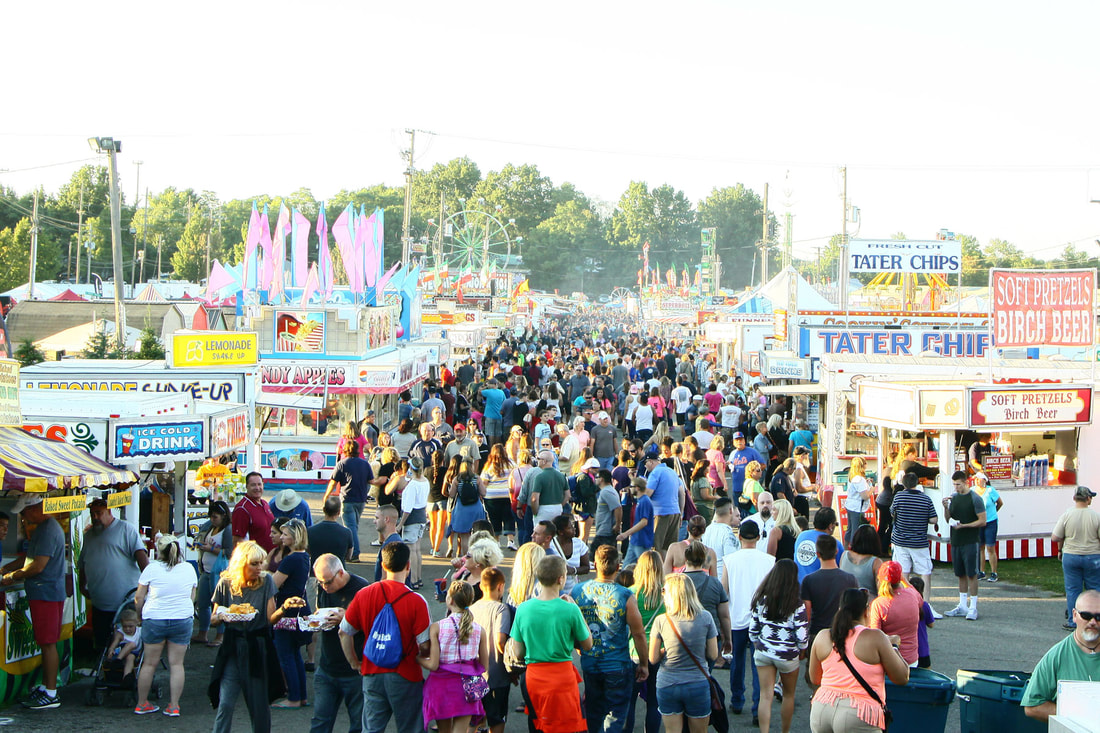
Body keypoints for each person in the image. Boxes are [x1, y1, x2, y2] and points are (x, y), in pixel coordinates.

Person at [339, 542, 432, 733]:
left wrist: (354, 662)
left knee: (372, 728)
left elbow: (344, 631)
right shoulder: (417, 601)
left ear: (383, 564)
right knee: (411, 727)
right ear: (408, 565)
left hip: (372, 671)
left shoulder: (363, 594)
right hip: (405, 673)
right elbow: (424, 645)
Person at [209, 540, 286, 733]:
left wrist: (285, 608)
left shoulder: (267, 581)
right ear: (242, 563)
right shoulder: (226, 582)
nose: (260, 568)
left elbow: (270, 619)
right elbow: (213, 619)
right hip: (233, 645)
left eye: (261, 563)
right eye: (254, 563)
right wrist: (222, 615)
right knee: (225, 703)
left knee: (259, 706)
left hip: (257, 646)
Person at [510, 555, 593, 733]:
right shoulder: (569, 609)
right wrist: (577, 609)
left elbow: (518, 652)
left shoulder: (523, 609)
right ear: (561, 579)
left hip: (534, 677)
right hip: (562, 678)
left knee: (538, 725)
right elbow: (587, 644)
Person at [808, 588, 910, 732]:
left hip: (822, 708)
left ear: (839, 609)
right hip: (858, 712)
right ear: (866, 611)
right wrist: (893, 646)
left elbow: (815, 678)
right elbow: (902, 677)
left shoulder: (823, 636)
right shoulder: (876, 638)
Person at [572, 545, 649, 733]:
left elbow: (572, 628)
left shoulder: (578, 591)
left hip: (591, 663)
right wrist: (644, 664)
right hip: (617, 664)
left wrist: (580, 647)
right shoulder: (625, 595)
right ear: (618, 567)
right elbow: (638, 633)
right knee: (614, 716)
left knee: (593, 712)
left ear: (595, 564)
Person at [2, 494, 66, 709]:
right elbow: (28, 558)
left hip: (45, 593)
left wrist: (11, 577)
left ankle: (50, 693)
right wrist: (7, 568)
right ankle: (47, 687)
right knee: (46, 642)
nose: (23, 518)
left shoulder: (47, 529)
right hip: (46, 593)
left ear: (34, 509)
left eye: (24, 513)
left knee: (48, 644)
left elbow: (37, 565)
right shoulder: (43, 529)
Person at [133, 534, 197, 717]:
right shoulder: (188, 569)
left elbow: (139, 597)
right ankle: (174, 706)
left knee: (149, 663)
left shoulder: (151, 569)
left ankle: (142, 703)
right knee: (177, 664)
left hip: (154, 618)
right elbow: (192, 596)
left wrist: (139, 616)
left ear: (159, 550)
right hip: (182, 618)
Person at [649, 573, 719, 733]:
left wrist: (666, 649)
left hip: (668, 683)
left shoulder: (661, 620)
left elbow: (652, 658)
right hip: (697, 683)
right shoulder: (706, 617)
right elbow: (713, 654)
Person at [80, 496, 150, 653]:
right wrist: (81, 585)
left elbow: (142, 559)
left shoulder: (126, 529)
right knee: (102, 642)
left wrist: (149, 586)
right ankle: (104, 667)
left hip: (124, 601)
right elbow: (83, 563)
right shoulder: (89, 535)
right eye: (92, 514)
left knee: (126, 642)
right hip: (99, 601)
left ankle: (125, 670)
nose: (95, 517)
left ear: (109, 511)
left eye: (99, 513)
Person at [722, 520, 775, 723]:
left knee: (737, 662)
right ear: (759, 537)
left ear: (739, 536)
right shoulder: (770, 561)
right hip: (762, 619)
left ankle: (737, 700)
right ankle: (757, 708)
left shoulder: (730, 560)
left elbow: (724, 591)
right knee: (759, 665)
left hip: (736, 618)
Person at [309, 554, 368, 733]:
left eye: (327, 582)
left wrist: (348, 620)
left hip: (355, 672)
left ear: (341, 573)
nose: (324, 587)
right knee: (320, 723)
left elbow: (373, 626)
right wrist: (314, 619)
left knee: (358, 725)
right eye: (320, 582)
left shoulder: (362, 589)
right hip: (327, 669)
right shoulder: (324, 588)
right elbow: (321, 611)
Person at [420, 580, 490, 732]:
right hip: (466, 687)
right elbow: (484, 665)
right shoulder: (479, 630)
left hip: (441, 686)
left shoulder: (437, 627)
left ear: (450, 600)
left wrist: (417, 658)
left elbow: (433, 664)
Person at [1021, 589, 1100, 722]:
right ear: (1074, 615)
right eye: (1086, 615)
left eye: (1099, 617)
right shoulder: (1056, 656)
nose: (1092, 622)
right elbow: (1032, 705)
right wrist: (1079, 716)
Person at [750, 559, 809, 733]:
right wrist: (800, 650)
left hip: (763, 652)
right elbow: (802, 637)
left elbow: (753, 631)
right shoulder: (796, 604)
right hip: (787, 655)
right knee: (788, 695)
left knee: (765, 695)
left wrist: (760, 644)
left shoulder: (761, 600)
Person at [271, 518, 312, 708]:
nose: (282, 537)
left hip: (287, 612)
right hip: (299, 611)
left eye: (285, 534)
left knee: (286, 655)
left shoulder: (291, 559)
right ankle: (300, 695)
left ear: (294, 537)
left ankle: (294, 698)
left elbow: (274, 585)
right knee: (294, 655)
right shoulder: (304, 556)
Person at [889, 472, 940, 614]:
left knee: (904, 573)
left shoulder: (899, 496)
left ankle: (906, 603)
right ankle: (926, 604)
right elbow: (934, 519)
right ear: (917, 483)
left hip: (900, 540)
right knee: (925, 572)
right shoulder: (925, 499)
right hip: (919, 542)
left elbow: (892, 512)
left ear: (904, 484)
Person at [1051, 486, 1100, 630]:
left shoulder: (1067, 515)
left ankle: (1074, 621)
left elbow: (1056, 536)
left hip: (1071, 555)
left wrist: (1060, 550)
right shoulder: (1095, 516)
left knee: (1073, 589)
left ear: (1074, 498)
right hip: (1092, 556)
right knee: (1095, 588)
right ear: (1088, 499)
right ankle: (1096, 617)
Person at [471, 567, 513, 733]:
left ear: (481, 586)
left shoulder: (472, 608)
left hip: (474, 674)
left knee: (476, 718)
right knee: (497, 719)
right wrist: (511, 668)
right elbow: (500, 640)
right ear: (501, 586)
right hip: (496, 675)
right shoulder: (501, 609)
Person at [942, 470, 987, 620]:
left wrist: (965, 526)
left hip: (970, 541)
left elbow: (983, 520)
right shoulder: (953, 497)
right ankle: (962, 605)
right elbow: (949, 519)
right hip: (956, 541)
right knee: (960, 573)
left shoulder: (975, 499)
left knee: (972, 573)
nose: (956, 487)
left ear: (966, 482)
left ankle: (973, 606)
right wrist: (946, 507)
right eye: (954, 484)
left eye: (958, 484)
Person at [801, 535, 858, 652]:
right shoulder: (850, 579)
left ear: (817, 554)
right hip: (843, 633)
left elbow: (806, 614)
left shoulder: (809, 580)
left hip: (817, 633)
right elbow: (855, 611)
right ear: (836, 551)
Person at [324, 440, 374, 562]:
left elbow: (333, 482)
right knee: (354, 526)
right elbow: (371, 481)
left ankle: (354, 553)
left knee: (350, 527)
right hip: (361, 499)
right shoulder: (365, 464)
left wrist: (326, 496)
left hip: (347, 499)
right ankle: (352, 550)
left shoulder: (342, 464)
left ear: (345, 450)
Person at [868, 561, 922, 666]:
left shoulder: (879, 604)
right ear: (900, 578)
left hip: (888, 662)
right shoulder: (913, 595)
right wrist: (905, 581)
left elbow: (875, 637)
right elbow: (920, 599)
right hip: (912, 660)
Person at [195, 501, 233, 646]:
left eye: (215, 517)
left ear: (224, 516)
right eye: (211, 516)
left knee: (219, 604)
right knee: (203, 603)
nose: (212, 519)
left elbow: (229, 552)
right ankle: (203, 633)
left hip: (220, 573)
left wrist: (210, 549)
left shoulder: (227, 530)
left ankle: (220, 635)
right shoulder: (211, 527)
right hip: (206, 571)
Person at [642, 445, 684, 554]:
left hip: (660, 513)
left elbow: (647, 494)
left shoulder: (655, 473)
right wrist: (681, 513)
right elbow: (682, 493)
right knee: (669, 548)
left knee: (657, 547)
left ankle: (659, 570)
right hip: (675, 512)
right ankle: (667, 570)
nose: (645, 467)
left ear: (650, 461)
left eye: (645, 464)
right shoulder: (672, 472)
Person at [449, 459, 488, 558]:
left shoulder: (457, 479)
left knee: (464, 536)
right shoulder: (476, 478)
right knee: (477, 534)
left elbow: (452, 494)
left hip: (462, 509)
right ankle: (476, 557)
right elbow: (483, 493)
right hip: (476, 508)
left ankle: (467, 558)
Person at [794, 506, 843, 583]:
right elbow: (840, 569)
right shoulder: (834, 544)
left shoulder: (801, 535)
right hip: (820, 587)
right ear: (830, 526)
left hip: (798, 586)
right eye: (835, 524)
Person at [232, 472, 276, 551]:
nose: (257, 488)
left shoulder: (265, 504)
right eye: (253, 485)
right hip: (256, 559)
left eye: (259, 484)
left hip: (270, 558)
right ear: (246, 486)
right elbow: (238, 541)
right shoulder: (242, 508)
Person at [972, 473, 1003, 582]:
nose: (976, 481)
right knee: (980, 547)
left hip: (990, 521)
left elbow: (1000, 503)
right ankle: (981, 571)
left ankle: (994, 572)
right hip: (979, 522)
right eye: (975, 479)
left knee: (990, 547)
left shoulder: (990, 490)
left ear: (984, 480)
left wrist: (993, 513)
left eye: (979, 479)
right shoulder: (972, 491)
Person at [702, 498, 741, 582]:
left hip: (707, 580)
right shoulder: (728, 533)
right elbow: (731, 562)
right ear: (731, 510)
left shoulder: (707, 530)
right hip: (722, 581)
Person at [619, 477, 655, 566]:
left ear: (637, 488)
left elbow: (644, 522)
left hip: (642, 540)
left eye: (631, 486)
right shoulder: (639, 501)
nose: (629, 489)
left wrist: (625, 534)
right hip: (635, 540)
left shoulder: (644, 501)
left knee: (644, 566)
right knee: (626, 567)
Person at [551, 513, 590, 595]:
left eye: (572, 526)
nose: (574, 529)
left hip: (573, 592)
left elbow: (586, 568)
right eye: (570, 528)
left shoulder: (579, 544)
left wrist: (573, 570)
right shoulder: (551, 546)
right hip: (554, 592)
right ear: (560, 532)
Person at [840, 525, 884, 595]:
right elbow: (881, 590)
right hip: (868, 602)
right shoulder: (876, 562)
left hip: (846, 601)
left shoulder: (844, 555)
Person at [309, 497, 354, 565]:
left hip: (316, 571)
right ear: (339, 512)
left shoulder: (310, 531)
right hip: (337, 572)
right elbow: (349, 556)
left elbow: (307, 552)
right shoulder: (347, 532)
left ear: (324, 510)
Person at [530, 449, 571, 524]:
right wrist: (560, 506)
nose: (537, 460)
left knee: (540, 533)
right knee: (555, 532)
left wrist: (535, 512)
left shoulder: (539, 477)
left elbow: (534, 499)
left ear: (544, 461)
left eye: (539, 458)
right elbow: (568, 495)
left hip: (543, 508)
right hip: (558, 508)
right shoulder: (561, 476)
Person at [729, 433, 766, 514]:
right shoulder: (732, 454)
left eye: (741, 439)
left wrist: (754, 471)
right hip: (737, 487)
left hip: (750, 487)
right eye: (737, 440)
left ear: (744, 441)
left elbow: (763, 464)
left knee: (749, 510)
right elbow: (729, 468)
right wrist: (728, 465)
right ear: (733, 442)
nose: (739, 442)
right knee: (738, 512)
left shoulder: (752, 452)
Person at [843, 457, 873, 549]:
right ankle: (853, 549)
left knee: (850, 529)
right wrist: (872, 489)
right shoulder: (859, 479)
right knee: (855, 530)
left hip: (850, 505)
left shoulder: (852, 476)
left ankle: (845, 549)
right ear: (862, 465)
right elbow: (865, 496)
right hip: (857, 508)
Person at [591, 468, 623, 553]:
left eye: (597, 477)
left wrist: (617, 525)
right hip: (604, 530)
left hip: (605, 532)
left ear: (601, 479)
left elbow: (618, 507)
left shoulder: (606, 492)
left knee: (595, 555)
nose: (595, 479)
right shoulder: (608, 490)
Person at [105, 607, 143, 679]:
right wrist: (111, 650)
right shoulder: (121, 633)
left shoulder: (140, 631)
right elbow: (114, 644)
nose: (127, 629)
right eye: (125, 626)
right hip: (120, 651)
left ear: (136, 623)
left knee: (130, 657)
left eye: (130, 626)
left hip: (133, 653)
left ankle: (126, 677)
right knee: (132, 644)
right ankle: (118, 661)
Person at [372, 505, 403, 583]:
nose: (374, 521)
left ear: (386, 519)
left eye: (377, 518)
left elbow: (386, 577)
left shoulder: (392, 545)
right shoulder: (392, 541)